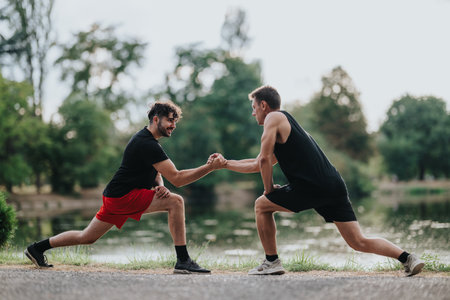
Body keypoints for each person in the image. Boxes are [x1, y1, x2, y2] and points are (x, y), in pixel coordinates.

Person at [211, 85, 424, 276]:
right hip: (333, 185)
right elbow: (259, 162)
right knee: (358, 241)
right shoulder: (285, 127)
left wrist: (268, 190)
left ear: (264, 105)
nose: (253, 112)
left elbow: (265, 159)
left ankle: (271, 262)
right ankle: (408, 258)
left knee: (261, 205)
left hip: (310, 187)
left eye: (254, 107)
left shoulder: (273, 118)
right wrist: (226, 163)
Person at [25, 101, 226, 274]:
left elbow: (158, 172)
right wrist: (210, 168)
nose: (173, 125)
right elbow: (179, 179)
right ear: (156, 119)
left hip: (115, 196)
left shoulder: (147, 140)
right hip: (123, 197)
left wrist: (159, 186)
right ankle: (183, 260)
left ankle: (36, 248)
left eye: (175, 121)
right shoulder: (147, 144)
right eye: (170, 120)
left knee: (86, 237)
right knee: (176, 201)